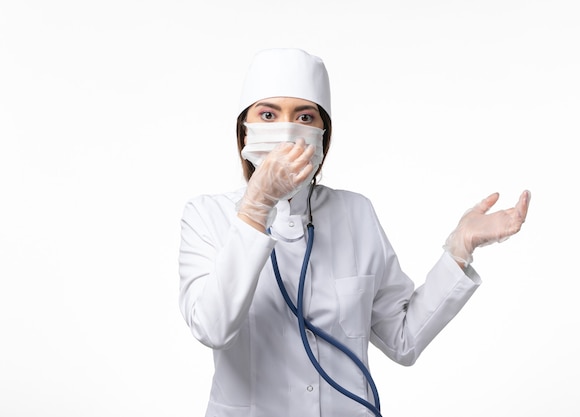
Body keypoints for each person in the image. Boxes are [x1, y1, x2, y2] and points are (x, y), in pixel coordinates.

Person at [178, 48, 531, 417]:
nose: (286, 130)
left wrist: (459, 249)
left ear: (323, 136)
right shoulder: (206, 216)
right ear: (244, 130)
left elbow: (403, 340)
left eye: (304, 116)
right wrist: (255, 208)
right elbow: (212, 328)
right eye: (268, 114)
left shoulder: (355, 213)